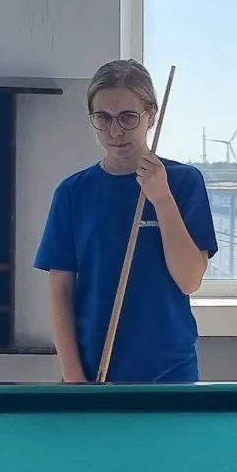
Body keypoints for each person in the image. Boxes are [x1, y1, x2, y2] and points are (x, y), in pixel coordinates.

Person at [36, 59, 217, 383]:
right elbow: (60, 291)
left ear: (151, 116)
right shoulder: (72, 192)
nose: (115, 130)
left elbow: (189, 280)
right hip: (93, 372)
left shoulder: (184, 182)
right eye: (103, 117)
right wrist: (73, 375)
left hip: (170, 373)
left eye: (128, 117)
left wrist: (161, 198)